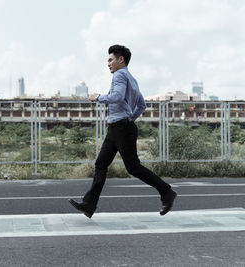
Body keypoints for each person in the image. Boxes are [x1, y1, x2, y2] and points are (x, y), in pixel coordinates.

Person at [68, 44, 177, 218]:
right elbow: (142, 105)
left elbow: (117, 97)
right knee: (101, 164)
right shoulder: (132, 79)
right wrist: (129, 118)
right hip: (119, 127)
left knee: (133, 167)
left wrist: (98, 98)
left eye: (111, 60)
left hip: (121, 128)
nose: (108, 64)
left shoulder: (119, 75)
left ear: (121, 60)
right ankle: (89, 204)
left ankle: (166, 191)